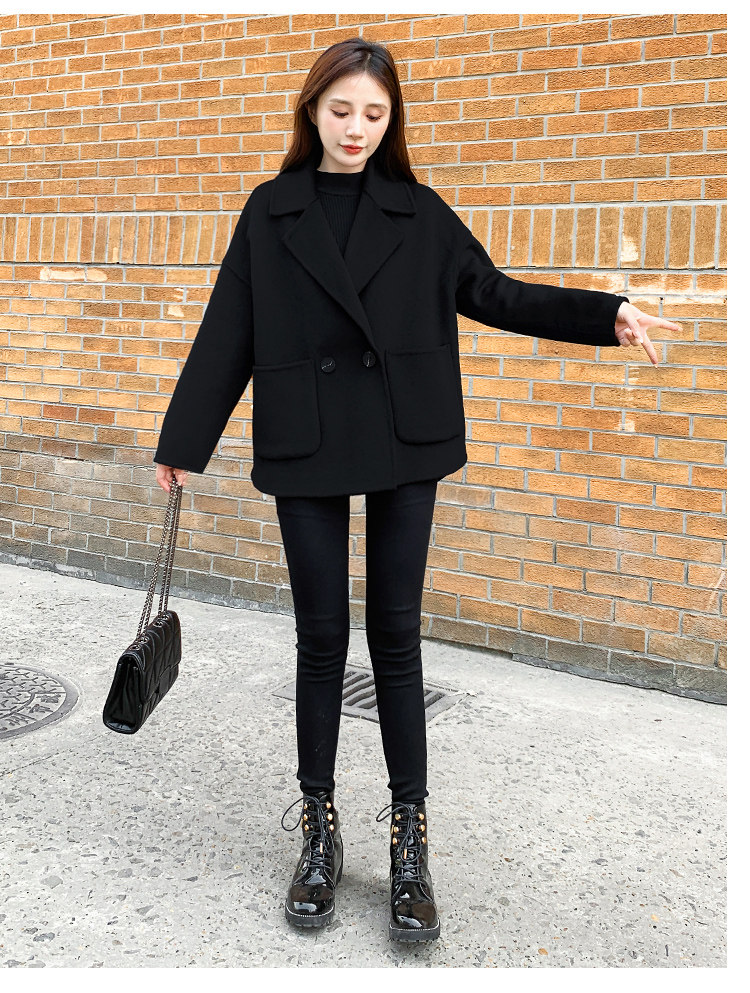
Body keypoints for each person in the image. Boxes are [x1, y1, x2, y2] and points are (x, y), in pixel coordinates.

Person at [153, 38, 680, 942]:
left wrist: (609, 313)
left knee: (395, 638)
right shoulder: (270, 210)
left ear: (391, 120)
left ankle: (409, 843)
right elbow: (228, 327)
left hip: (405, 437)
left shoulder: (419, 211)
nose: (356, 128)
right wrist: (183, 440)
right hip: (308, 439)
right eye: (341, 110)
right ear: (312, 110)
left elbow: (497, 293)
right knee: (321, 639)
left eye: (374, 113)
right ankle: (319, 832)